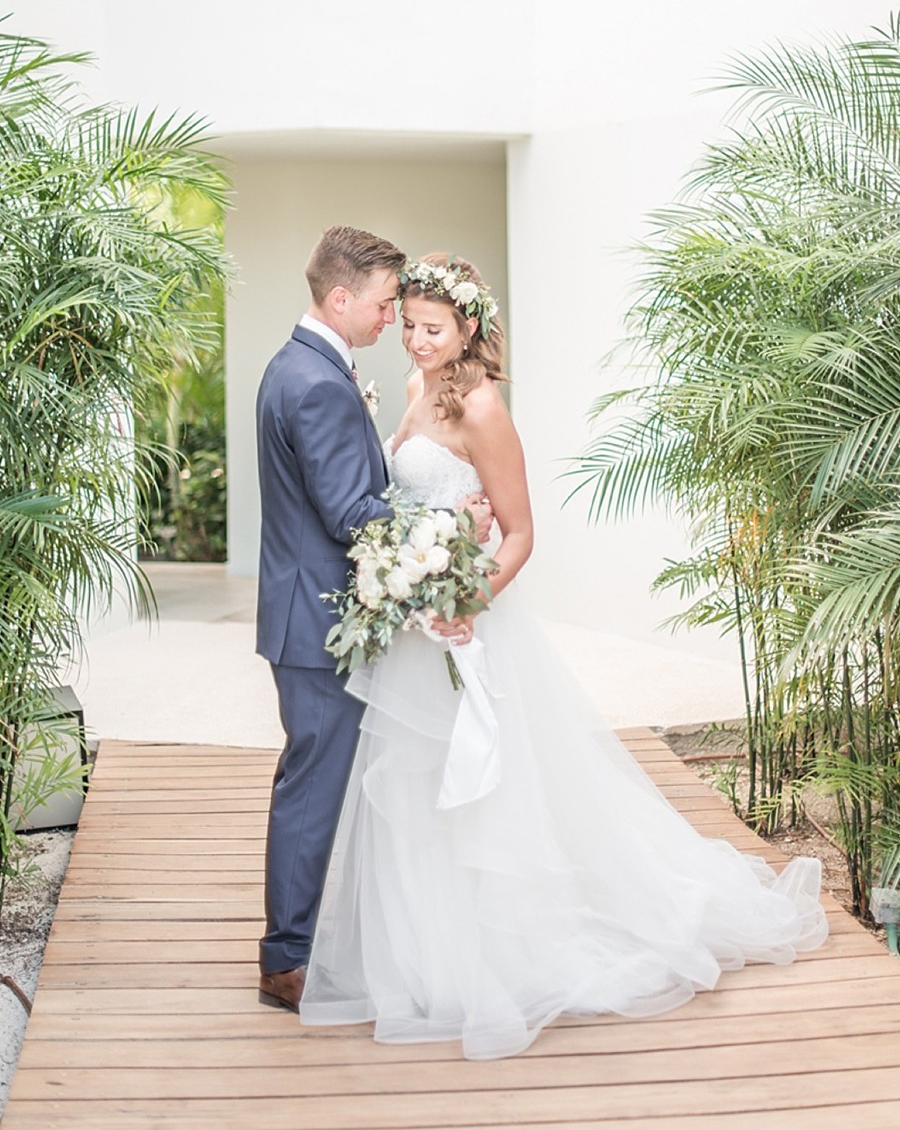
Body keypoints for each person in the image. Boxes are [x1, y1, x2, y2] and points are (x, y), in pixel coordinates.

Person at [298, 252, 829, 1060]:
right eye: (407, 325)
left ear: (468, 326)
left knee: (478, 795)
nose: (414, 342)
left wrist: (466, 600)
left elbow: (520, 534)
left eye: (431, 328)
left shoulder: (482, 409)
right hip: (413, 626)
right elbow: (401, 498)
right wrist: (412, 572)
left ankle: (496, 958)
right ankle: (419, 964)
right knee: (410, 791)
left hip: (464, 629)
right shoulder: (411, 390)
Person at [255, 228, 493, 1015]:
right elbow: (353, 513)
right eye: (388, 304)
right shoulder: (320, 382)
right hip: (318, 620)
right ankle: (288, 960)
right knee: (315, 788)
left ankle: (314, 944)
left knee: (327, 783)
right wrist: (447, 525)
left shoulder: (302, 365)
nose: (395, 318)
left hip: (315, 613)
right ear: (340, 299)